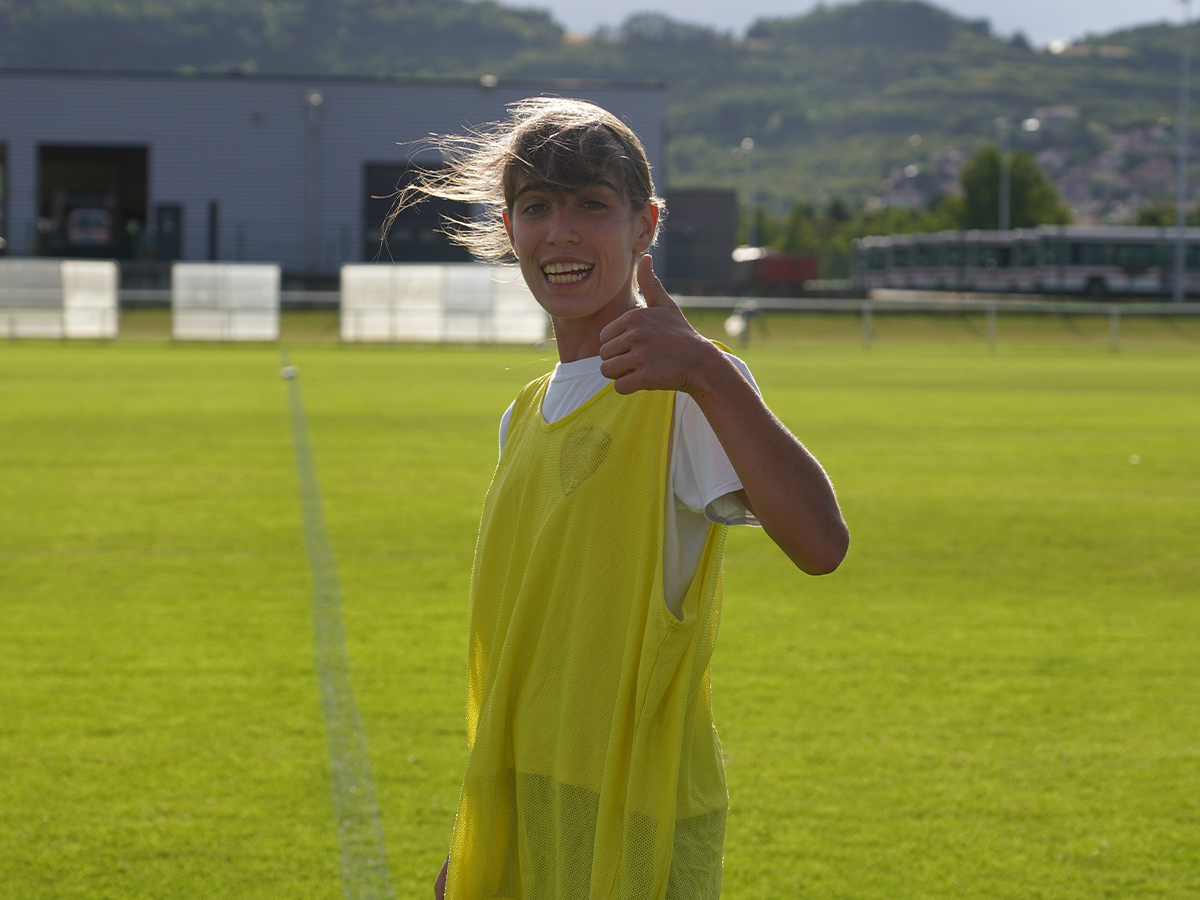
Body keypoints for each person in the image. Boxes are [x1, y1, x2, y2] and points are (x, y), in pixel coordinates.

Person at [391, 97, 849, 900]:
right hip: (531, 797)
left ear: (646, 225)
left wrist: (709, 370)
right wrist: (480, 826)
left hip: (639, 805)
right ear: (508, 229)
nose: (561, 233)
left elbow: (821, 543)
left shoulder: (685, 384)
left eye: (592, 206)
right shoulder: (526, 411)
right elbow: (525, 647)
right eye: (537, 208)